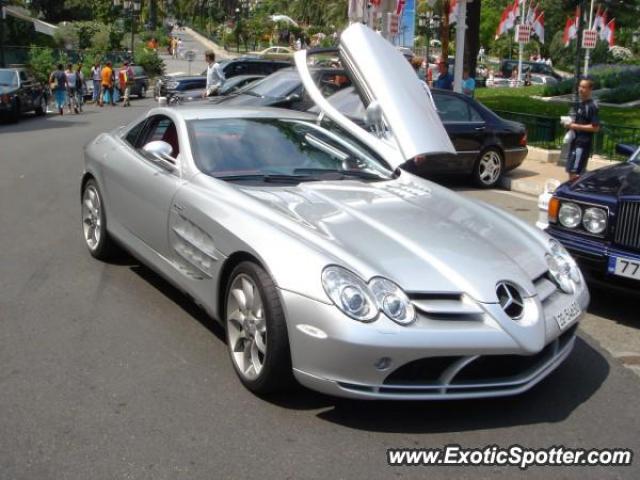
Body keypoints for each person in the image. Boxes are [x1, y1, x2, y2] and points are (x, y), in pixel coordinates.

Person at [565, 78, 600, 181]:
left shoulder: (592, 106)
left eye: (584, 87)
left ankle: (574, 195)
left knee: (575, 172)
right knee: (571, 170)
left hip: (582, 145)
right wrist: (569, 124)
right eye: (580, 86)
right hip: (576, 142)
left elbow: (595, 127)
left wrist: (574, 126)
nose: (580, 89)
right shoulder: (582, 104)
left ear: (590, 89)